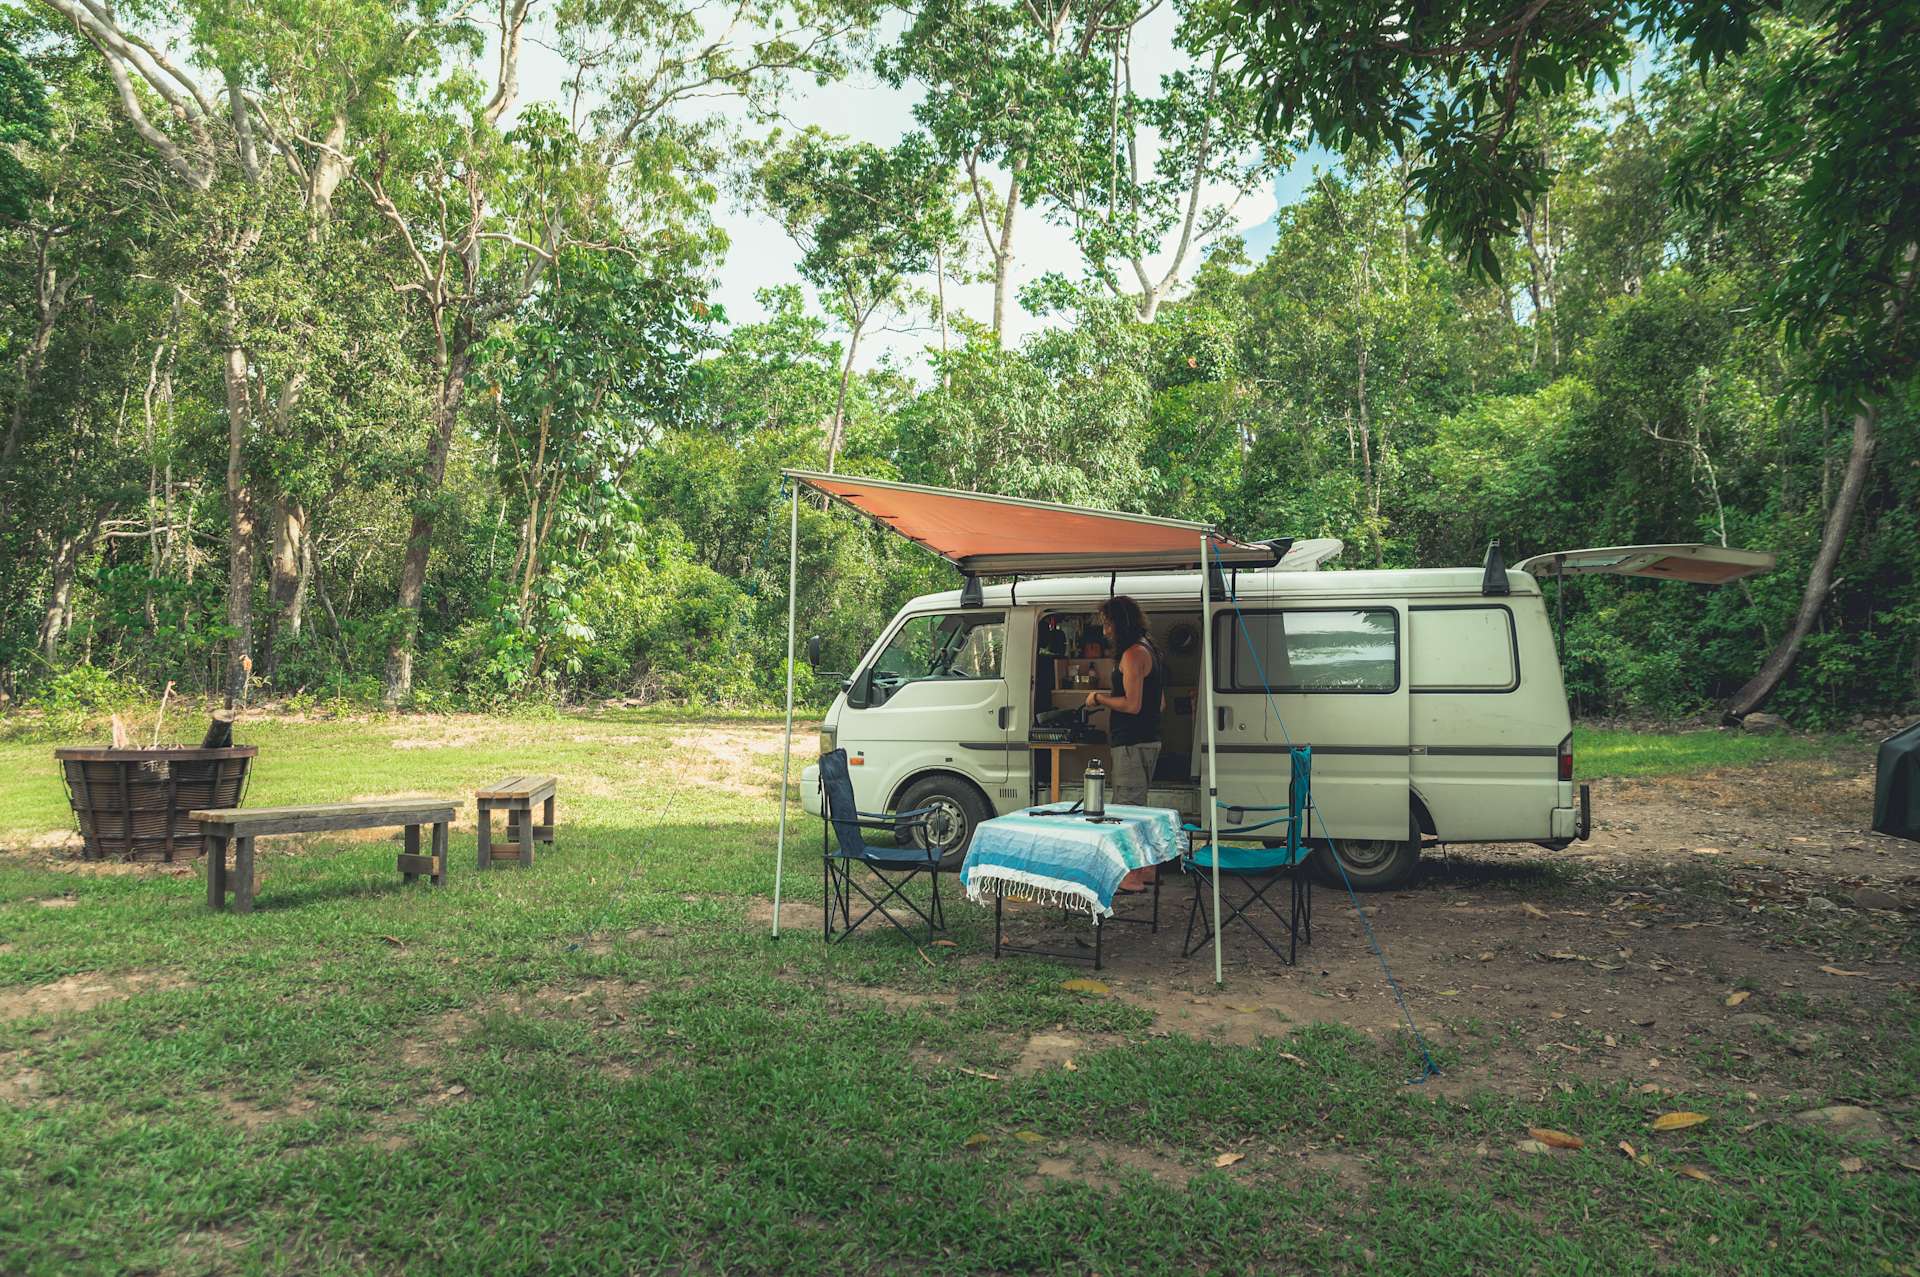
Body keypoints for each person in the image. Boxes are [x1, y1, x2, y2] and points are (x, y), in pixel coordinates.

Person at [1083, 596, 1163, 806]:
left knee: (1128, 809)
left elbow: (1132, 705)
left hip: (1132, 745)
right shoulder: (1150, 648)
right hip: (1146, 740)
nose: (1105, 631)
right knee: (1133, 805)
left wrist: (1099, 698)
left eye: (1108, 624)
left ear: (1121, 623)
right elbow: (1160, 702)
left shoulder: (1133, 654)